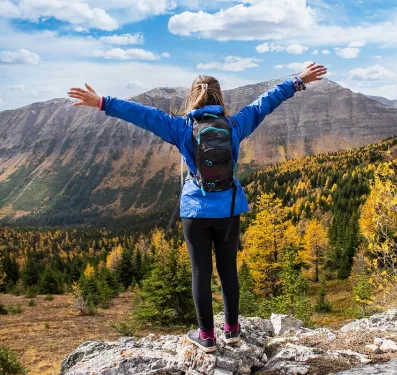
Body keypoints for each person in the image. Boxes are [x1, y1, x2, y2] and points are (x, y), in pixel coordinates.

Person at [67, 62, 328, 353]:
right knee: (228, 270)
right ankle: (232, 331)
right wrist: (297, 81)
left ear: (193, 98)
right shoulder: (235, 125)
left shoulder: (181, 128)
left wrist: (103, 102)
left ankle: (206, 337)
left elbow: (142, 115)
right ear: (220, 98)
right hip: (228, 209)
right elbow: (265, 103)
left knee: (200, 273)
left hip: (195, 211)